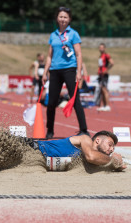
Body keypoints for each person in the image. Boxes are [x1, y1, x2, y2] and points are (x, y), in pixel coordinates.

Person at [0, 130, 126, 171]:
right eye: (109, 144)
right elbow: (91, 157)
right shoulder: (85, 140)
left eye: (113, 148)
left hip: (28, 161)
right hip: (30, 146)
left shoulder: (99, 157)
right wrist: (112, 160)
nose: (111, 149)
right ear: (97, 139)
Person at [42, 6, 88, 139]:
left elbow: (79, 54)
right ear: (57, 18)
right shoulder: (53, 35)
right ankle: (50, 131)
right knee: (51, 102)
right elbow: (49, 56)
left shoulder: (73, 34)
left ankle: (84, 130)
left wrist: (79, 72)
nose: (63, 19)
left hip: (70, 69)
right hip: (55, 70)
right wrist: (45, 72)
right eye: (61, 16)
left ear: (69, 19)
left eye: (65, 17)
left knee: (75, 100)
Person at [97, 43, 114, 112]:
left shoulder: (106, 55)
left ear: (104, 48)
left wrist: (106, 70)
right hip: (100, 75)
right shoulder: (100, 56)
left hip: (104, 75)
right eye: (100, 47)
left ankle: (107, 105)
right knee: (101, 90)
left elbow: (112, 63)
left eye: (102, 47)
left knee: (104, 90)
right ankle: (104, 105)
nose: (101, 49)